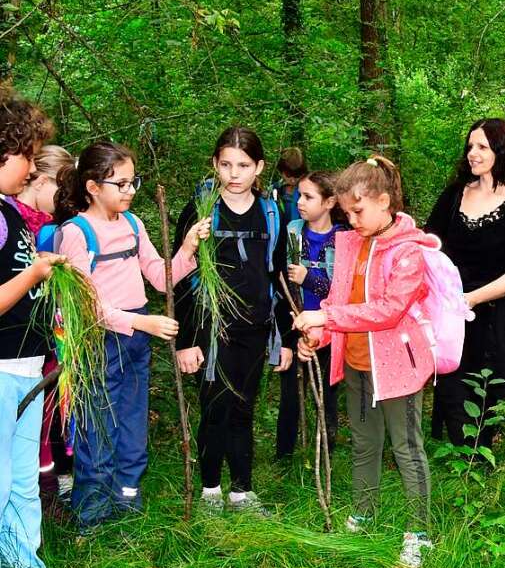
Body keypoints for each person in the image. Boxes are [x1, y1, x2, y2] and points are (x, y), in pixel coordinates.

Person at [55, 142, 210, 529]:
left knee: (132, 424)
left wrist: (188, 247)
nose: (129, 190)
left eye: (132, 182)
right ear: (92, 186)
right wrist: (143, 323)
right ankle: (92, 517)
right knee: (98, 427)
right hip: (98, 341)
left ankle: (127, 506)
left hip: (136, 338)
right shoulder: (76, 233)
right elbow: (86, 306)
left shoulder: (133, 224)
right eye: (120, 183)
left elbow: (160, 276)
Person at [292, 156, 435, 568]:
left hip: (397, 367)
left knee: (406, 447)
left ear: (384, 201)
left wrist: (327, 317)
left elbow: (388, 310)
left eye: (358, 210)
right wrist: (320, 335)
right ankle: (363, 514)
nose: (351, 219)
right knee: (364, 443)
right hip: (356, 362)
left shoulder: (409, 250)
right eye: (345, 211)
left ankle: (419, 532)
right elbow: (340, 300)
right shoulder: (350, 242)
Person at [173, 127, 295, 516]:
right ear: (215, 165)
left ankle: (242, 491)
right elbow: (180, 277)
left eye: (243, 165)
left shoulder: (272, 212)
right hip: (211, 328)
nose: (234, 173)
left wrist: (286, 337)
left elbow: (276, 276)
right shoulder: (200, 210)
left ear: (259, 167)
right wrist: (185, 340)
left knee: (244, 406)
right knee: (215, 407)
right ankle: (210, 489)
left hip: (255, 326)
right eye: (226, 164)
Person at [425, 118, 505, 448]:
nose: (472, 153)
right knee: (451, 382)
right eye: (470, 146)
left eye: (482, 147)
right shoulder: (454, 195)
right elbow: (430, 240)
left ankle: (479, 459)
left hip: (495, 314)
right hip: (450, 309)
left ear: (501, 151)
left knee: (486, 388)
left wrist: (473, 299)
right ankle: (461, 456)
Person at [0, 87, 62, 568]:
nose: (30, 168)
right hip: (0, 370)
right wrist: (36, 272)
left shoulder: (13, 213)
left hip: (25, 369)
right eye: (26, 157)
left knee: (22, 481)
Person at [10, 144, 75, 516]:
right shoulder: (16, 222)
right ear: (42, 179)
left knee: (46, 414)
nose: (65, 200)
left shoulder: (46, 226)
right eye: (62, 190)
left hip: (45, 341)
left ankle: (46, 493)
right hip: (18, 345)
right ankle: (43, 492)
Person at [276, 170, 348, 461]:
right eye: (299, 196)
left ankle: (326, 454)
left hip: (330, 327)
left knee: (327, 393)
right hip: (296, 323)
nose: (300, 202)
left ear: (330, 202)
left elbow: (344, 288)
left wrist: (310, 279)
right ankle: (284, 456)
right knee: (291, 394)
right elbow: (280, 278)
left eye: (308, 197)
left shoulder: (344, 238)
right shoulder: (293, 230)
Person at [272, 146, 307, 225]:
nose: (293, 180)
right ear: (281, 172)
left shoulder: (308, 190)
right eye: (288, 175)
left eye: (297, 175)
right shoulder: (275, 190)